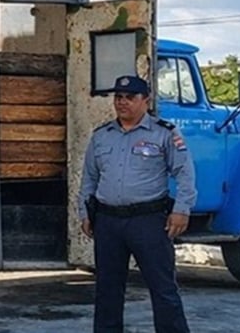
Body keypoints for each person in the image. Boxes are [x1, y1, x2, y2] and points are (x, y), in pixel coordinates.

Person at [77, 75, 196, 333]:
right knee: (107, 290)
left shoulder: (164, 133)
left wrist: (181, 210)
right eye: (118, 97)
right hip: (108, 222)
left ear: (146, 101)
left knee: (163, 290)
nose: (122, 103)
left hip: (148, 221)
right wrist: (84, 212)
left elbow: (184, 173)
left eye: (130, 97)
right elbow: (89, 177)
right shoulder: (101, 136)